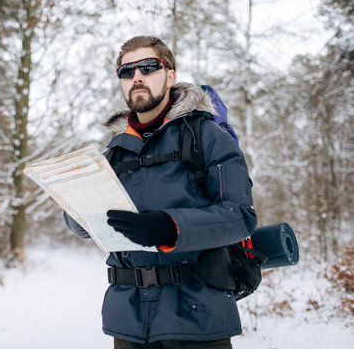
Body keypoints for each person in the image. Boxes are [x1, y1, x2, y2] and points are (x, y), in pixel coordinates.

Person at [64, 36, 257, 348]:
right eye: (126, 72)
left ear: (170, 75)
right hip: (127, 322)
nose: (136, 77)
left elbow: (240, 216)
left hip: (197, 318)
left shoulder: (206, 135)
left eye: (148, 67)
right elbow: (89, 225)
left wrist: (171, 227)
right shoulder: (114, 152)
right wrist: (74, 210)